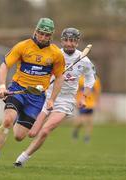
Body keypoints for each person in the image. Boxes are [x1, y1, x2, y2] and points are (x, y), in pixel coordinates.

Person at [0, 17, 65, 170]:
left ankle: (19, 113)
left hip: (36, 97)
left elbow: (60, 77)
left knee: (19, 136)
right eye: (41, 33)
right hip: (17, 89)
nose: (43, 37)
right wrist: (2, 87)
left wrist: (52, 99)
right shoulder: (23, 46)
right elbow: (4, 65)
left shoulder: (55, 54)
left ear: (51, 36)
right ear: (36, 31)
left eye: (47, 35)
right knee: (8, 121)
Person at [13, 27, 96, 167]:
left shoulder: (84, 60)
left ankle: (23, 157)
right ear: (62, 40)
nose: (69, 43)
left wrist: (83, 97)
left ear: (77, 42)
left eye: (73, 41)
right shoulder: (54, 54)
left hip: (66, 101)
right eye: (67, 40)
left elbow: (90, 79)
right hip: (47, 97)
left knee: (45, 130)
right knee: (31, 133)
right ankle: (19, 118)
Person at [72, 75, 101, 143]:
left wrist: (97, 102)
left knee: (90, 121)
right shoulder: (80, 78)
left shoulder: (96, 79)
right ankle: (76, 131)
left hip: (91, 103)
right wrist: (76, 100)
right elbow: (76, 90)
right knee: (81, 120)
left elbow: (97, 91)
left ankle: (87, 137)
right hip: (82, 102)